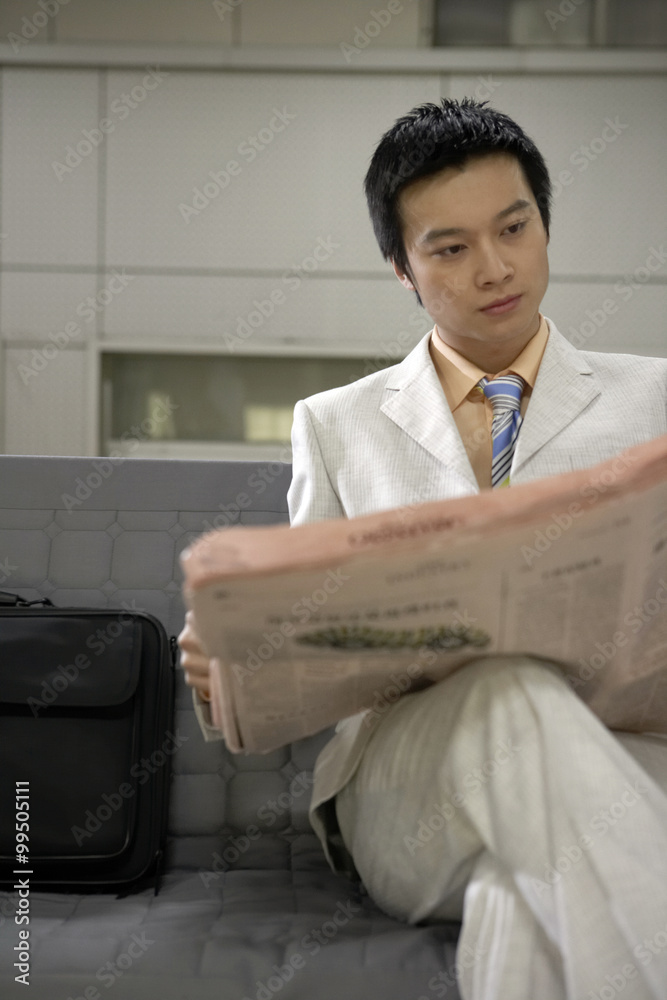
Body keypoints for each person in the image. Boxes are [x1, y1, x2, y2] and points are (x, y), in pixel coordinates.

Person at [180, 98, 667, 999]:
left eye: (514, 228)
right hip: (412, 789)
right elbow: (296, 651)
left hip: (631, 756)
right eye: (449, 249)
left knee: (519, 901)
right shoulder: (336, 426)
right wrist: (227, 666)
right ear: (402, 269)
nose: (495, 267)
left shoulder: (656, 403)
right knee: (507, 689)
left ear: (543, 225)